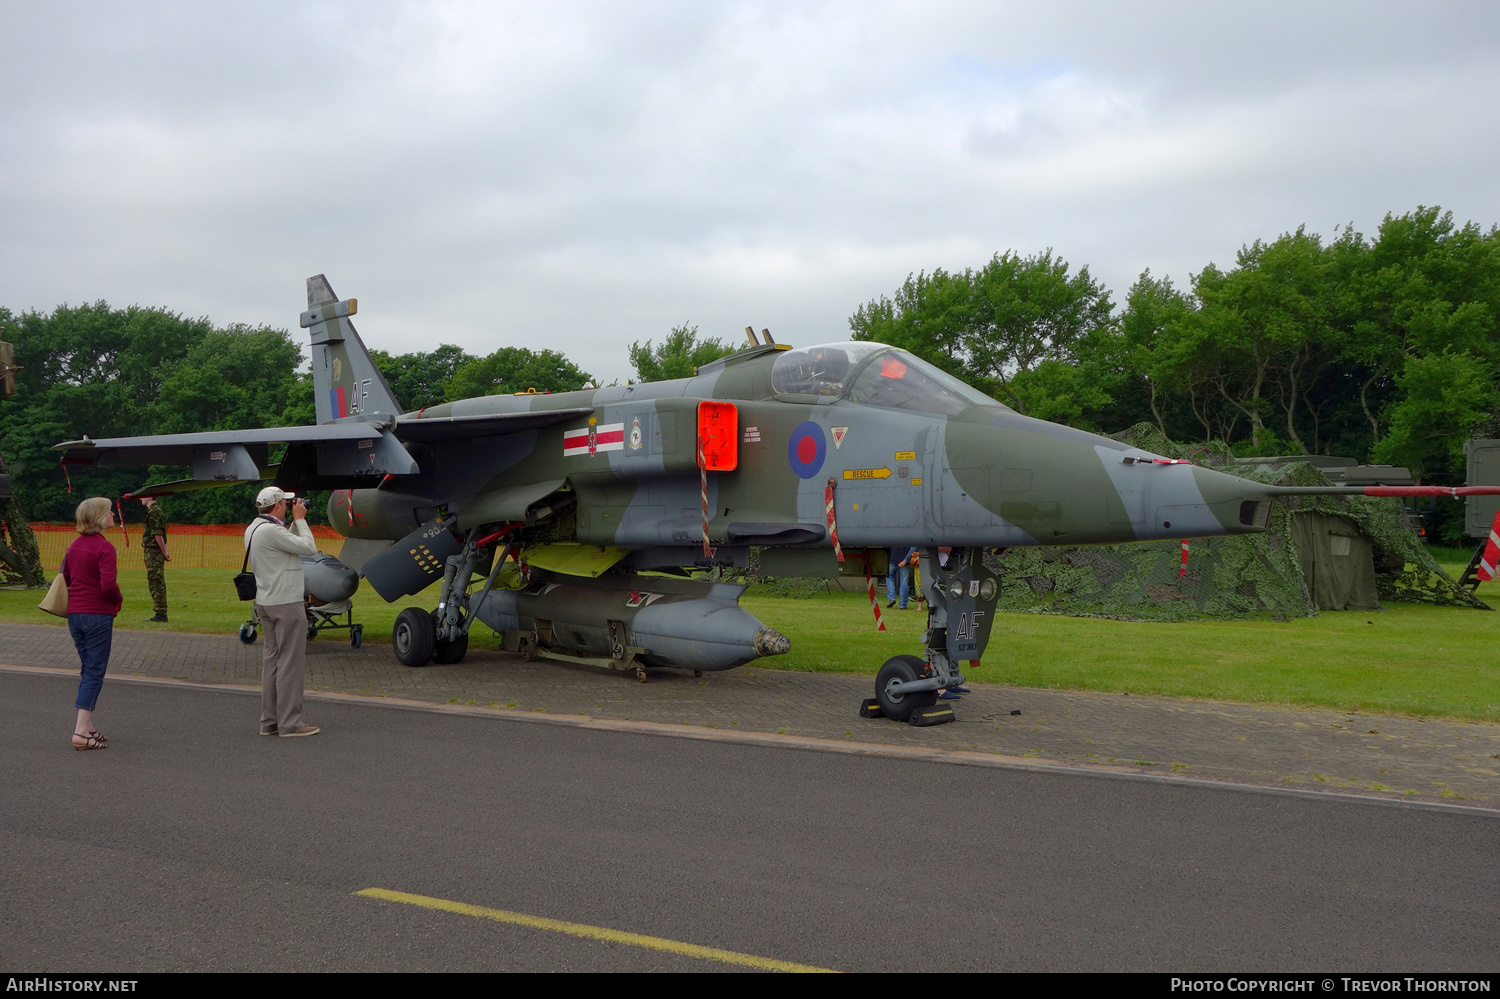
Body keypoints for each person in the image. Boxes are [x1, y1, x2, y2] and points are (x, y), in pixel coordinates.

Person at [246, 486, 320, 738]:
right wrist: (300, 520)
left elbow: (284, 543)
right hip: (286, 602)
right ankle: (290, 723)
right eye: (286, 504)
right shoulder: (271, 530)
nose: (289, 507)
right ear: (277, 505)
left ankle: (270, 721)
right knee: (290, 664)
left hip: (265, 601)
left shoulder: (255, 528)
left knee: (273, 662)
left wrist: (293, 523)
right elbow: (308, 548)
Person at [64, 497, 123, 751]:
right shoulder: (105, 548)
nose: (113, 516)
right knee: (94, 672)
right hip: (97, 614)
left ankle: (87, 726)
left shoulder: (74, 546)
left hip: (75, 613)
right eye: (109, 513)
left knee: (88, 668)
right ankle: (80, 731)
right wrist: (117, 601)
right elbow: (108, 585)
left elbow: (66, 577)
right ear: (99, 518)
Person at [140, 495, 170, 622]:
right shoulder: (155, 511)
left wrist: (165, 553)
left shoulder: (154, 512)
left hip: (153, 551)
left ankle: (160, 613)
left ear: (150, 497)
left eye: (143, 496)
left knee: (155, 581)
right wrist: (166, 551)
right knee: (156, 580)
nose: (140, 499)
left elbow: (158, 535)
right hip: (154, 551)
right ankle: (160, 611)